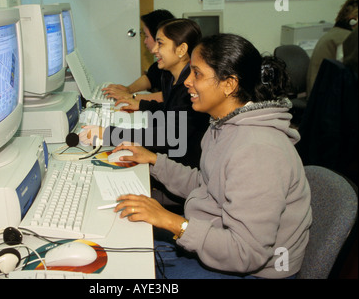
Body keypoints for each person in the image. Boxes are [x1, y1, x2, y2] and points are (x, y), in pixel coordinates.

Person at [112, 34, 312, 279]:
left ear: (229, 84)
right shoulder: (224, 124)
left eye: (197, 73)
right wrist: (154, 161)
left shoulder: (258, 151)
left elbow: (246, 253)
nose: (187, 81)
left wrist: (171, 221)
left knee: (128, 272)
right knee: (124, 250)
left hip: (253, 271)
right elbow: (207, 185)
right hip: (220, 242)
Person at [81, 18, 210, 170]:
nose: (154, 49)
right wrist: (142, 104)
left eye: (160, 43)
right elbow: (171, 112)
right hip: (173, 155)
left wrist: (109, 134)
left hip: (183, 168)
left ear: (181, 49)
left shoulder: (190, 87)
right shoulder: (170, 76)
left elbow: (170, 136)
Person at [101, 9, 175, 104]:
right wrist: (128, 89)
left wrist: (131, 96)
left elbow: (171, 95)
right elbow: (150, 78)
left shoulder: (183, 68)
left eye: (147, 36)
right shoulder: (161, 64)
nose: (145, 41)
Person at [307, 0, 358, 96]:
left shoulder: (336, 32)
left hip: (322, 92)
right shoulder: (345, 38)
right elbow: (349, 72)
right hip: (324, 98)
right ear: (353, 20)